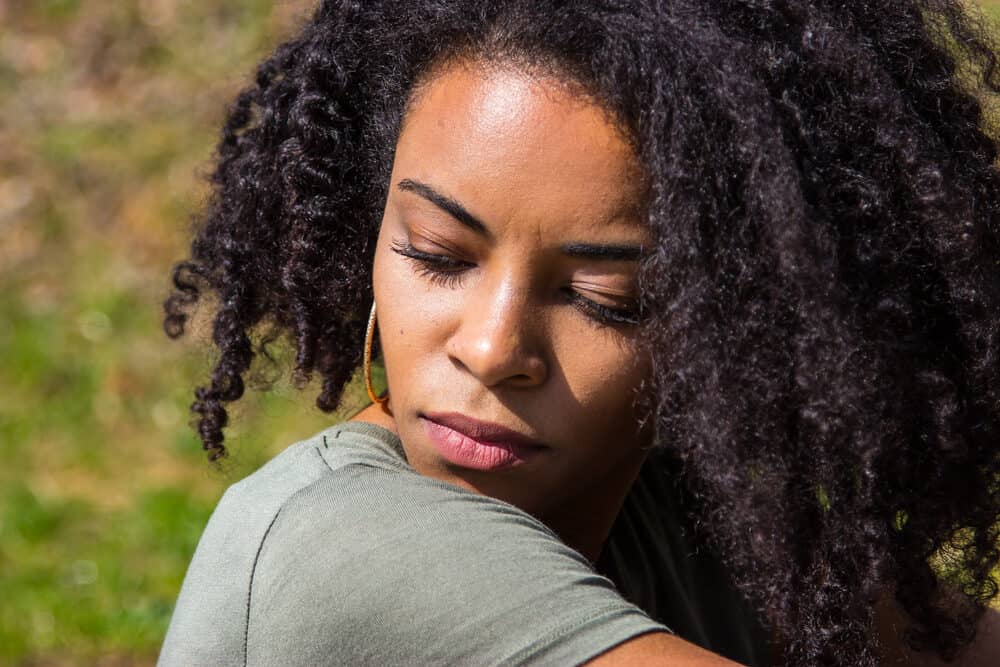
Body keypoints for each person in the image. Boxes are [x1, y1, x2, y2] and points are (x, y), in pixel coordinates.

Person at [159, 1, 1000, 665]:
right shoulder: (346, 544)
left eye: (607, 297)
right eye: (438, 254)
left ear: (737, 323)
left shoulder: (682, 513)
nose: (490, 350)